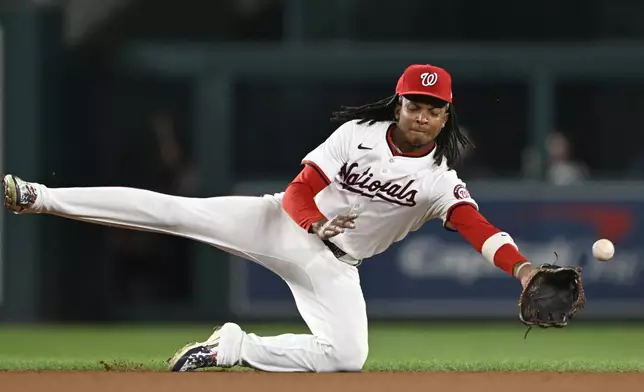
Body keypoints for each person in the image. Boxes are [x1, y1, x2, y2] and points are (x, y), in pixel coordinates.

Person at [2, 64, 537, 373]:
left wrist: (523, 270)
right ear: (397, 104)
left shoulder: (440, 178)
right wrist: (312, 223)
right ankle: (39, 197)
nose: (422, 115)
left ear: (446, 116)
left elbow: (477, 227)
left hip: (335, 264)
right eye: (414, 104)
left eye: (433, 107)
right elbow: (300, 191)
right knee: (171, 211)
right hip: (280, 223)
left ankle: (233, 347)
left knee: (349, 356)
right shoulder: (357, 136)